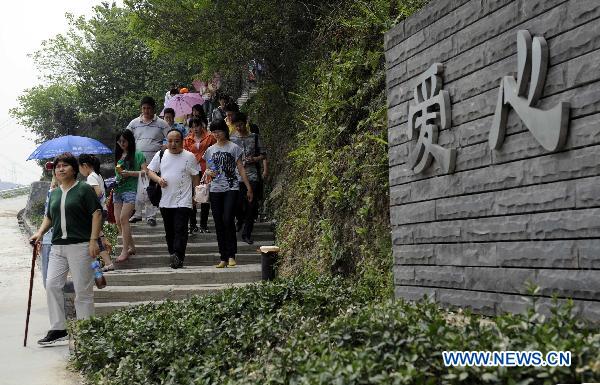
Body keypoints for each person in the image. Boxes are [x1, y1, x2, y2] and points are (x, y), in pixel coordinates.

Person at [29, 153, 102, 345]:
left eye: (65, 166)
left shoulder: (84, 189)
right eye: (58, 166)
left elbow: (96, 213)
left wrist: (94, 240)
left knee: (82, 290)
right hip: (57, 247)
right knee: (52, 285)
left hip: (80, 246)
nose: (60, 169)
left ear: (74, 169)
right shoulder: (54, 193)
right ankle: (58, 327)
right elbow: (49, 217)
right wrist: (39, 233)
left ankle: (87, 329)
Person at [147, 129, 201, 269]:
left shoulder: (189, 157)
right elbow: (150, 171)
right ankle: (173, 254)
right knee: (169, 231)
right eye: (170, 141)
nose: (173, 144)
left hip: (184, 200)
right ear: (166, 142)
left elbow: (195, 176)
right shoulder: (161, 154)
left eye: (177, 141)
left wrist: (196, 195)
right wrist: (159, 180)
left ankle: (178, 256)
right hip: (165, 200)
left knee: (180, 229)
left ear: (182, 142)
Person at [203, 119, 253, 268]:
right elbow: (210, 170)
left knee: (227, 219)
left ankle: (231, 255)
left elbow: (241, 169)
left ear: (225, 130)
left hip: (231, 187)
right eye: (214, 131)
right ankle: (223, 256)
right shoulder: (210, 150)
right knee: (218, 222)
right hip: (215, 189)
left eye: (219, 130)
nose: (217, 134)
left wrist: (248, 187)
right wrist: (208, 172)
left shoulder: (234, 148)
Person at [127, 96, 170, 226]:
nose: (146, 111)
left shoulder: (162, 123)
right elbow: (126, 137)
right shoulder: (134, 123)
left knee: (150, 188)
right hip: (137, 160)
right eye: (144, 108)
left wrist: (166, 146)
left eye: (149, 108)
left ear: (153, 109)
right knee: (137, 187)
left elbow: (172, 136)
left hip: (154, 161)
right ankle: (137, 214)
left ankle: (151, 216)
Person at [230, 112, 266, 244]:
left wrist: (254, 159)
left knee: (251, 205)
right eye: (236, 126)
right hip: (237, 176)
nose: (239, 128)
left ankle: (247, 233)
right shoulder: (231, 139)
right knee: (238, 204)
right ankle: (239, 220)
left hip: (252, 175)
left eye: (240, 125)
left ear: (245, 123)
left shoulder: (255, 137)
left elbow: (263, 155)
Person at [113, 130, 147, 262]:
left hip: (130, 190)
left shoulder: (138, 155)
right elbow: (118, 173)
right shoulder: (119, 155)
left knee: (123, 219)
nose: (122, 144)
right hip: (118, 190)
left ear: (130, 141)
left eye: (124, 141)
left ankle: (124, 250)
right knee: (118, 221)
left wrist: (130, 173)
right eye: (120, 141)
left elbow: (145, 172)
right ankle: (132, 247)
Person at [78, 154, 113, 271]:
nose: (80, 171)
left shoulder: (91, 177)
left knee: (96, 238)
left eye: (79, 168)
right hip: (103, 209)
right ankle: (106, 261)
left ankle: (108, 263)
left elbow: (98, 193)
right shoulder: (98, 175)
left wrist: (88, 202)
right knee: (100, 236)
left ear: (85, 166)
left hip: (97, 211)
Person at [183, 117, 216, 234]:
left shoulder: (210, 137)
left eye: (197, 126)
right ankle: (192, 225)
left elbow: (214, 152)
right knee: (192, 197)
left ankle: (204, 224)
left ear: (202, 126)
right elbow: (185, 155)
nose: (195, 129)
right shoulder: (187, 140)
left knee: (205, 198)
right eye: (192, 126)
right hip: (192, 171)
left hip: (206, 169)